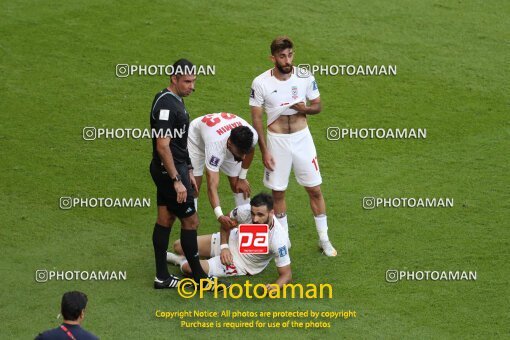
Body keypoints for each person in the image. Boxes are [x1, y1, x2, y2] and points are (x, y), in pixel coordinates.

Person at [249, 36, 337, 256]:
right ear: (273, 58)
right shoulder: (260, 82)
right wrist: (264, 150)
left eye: (290, 55)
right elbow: (257, 119)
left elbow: (318, 106)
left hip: (302, 139)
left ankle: (324, 240)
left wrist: (304, 109)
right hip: (276, 141)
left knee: (315, 189)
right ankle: (284, 241)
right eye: (282, 56)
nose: (287, 60)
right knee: (278, 193)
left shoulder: (304, 76)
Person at [149, 58, 225, 289]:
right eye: (188, 81)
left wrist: (189, 169)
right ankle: (200, 278)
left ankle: (162, 276)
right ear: (174, 78)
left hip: (176, 168)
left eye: (194, 81)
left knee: (165, 218)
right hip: (168, 171)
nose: (192, 86)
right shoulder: (166, 105)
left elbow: (180, 144)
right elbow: (163, 146)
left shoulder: (176, 100)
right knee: (191, 221)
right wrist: (176, 180)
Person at [167, 193, 291, 290]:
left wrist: (275, 287)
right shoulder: (244, 211)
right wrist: (224, 247)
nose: (255, 219)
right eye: (253, 214)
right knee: (179, 245)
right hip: (231, 240)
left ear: (271, 213)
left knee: (188, 267)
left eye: (260, 215)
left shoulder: (279, 239)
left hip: (240, 263)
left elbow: (286, 274)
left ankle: (179, 260)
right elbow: (225, 223)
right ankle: (202, 256)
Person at [187, 113, 258, 230]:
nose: (244, 157)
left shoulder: (252, 136)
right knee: (194, 185)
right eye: (241, 153)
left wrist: (242, 177)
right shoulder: (215, 148)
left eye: (245, 152)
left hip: (219, 135)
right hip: (197, 140)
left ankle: (248, 228)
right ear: (229, 143)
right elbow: (212, 186)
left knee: (238, 185)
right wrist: (219, 215)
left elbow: (250, 151)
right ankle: (190, 225)